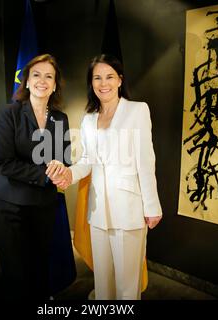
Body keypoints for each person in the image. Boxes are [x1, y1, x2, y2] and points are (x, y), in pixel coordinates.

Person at [46, 54, 162, 300]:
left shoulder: (137, 110)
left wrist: (152, 206)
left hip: (130, 210)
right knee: (103, 281)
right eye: (97, 78)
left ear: (120, 80)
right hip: (98, 211)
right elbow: (87, 161)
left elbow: (146, 160)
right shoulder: (88, 119)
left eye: (109, 76)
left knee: (127, 286)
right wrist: (68, 173)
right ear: (91, 83)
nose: (103, 83)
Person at [0, 54, 71, 299]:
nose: (42, 81)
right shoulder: (10, 113)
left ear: (55, 84)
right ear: (26, 81)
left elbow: (63, 159)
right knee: (17, 273)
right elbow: (5, 162)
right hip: (11, 206)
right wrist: (47, 174)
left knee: (39, 268)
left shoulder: (60, 119)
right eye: (36, 75)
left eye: (49, 76)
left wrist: (62, 170)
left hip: (44, 205)